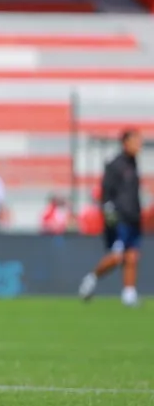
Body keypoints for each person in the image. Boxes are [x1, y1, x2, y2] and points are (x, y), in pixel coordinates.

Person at [79, 128, 143, 307]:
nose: (139, 145)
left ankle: (129, 294)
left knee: (132, 256)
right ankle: (91, 279)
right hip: (119, 218)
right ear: (125, 142)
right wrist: (109, 213)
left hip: (133, 218)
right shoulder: (115, 165)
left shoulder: (133, 163)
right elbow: (106, 192)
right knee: (117, 256)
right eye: (135, 141)